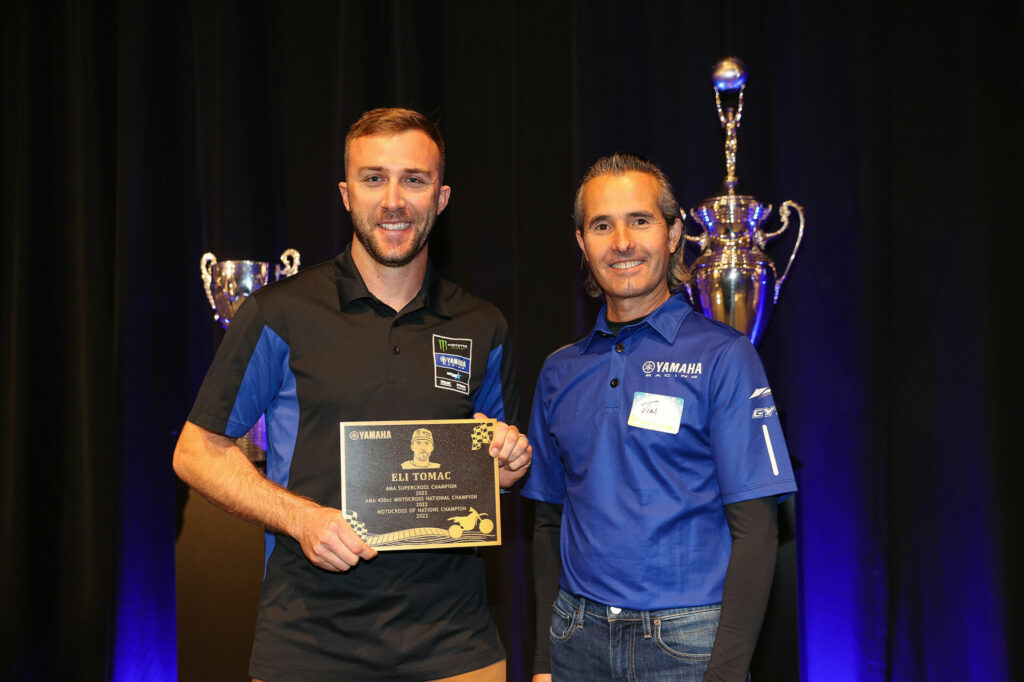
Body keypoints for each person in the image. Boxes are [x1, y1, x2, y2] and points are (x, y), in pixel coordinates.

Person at [173, 107, 531, 682]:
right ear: (346, 194)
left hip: (455, 644)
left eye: (414, 179)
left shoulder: (481, 325)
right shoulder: (279, 313)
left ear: (441, 198)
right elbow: (194, 451)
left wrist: (509, 466)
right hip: (310, 643)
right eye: (373, 178)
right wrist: (301, 518)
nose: (393, 199)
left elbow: (491, 475)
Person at [521, 153, 797, 682]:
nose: (622, 241)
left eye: (640, 220)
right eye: (602, 225)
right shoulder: (559, 370)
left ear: (673, 234)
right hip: (574, 639)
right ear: (582, 243)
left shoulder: (726, 357)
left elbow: (758, 532)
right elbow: (547, 521)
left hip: (686, 645)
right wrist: (541, 663)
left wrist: (725, 674)